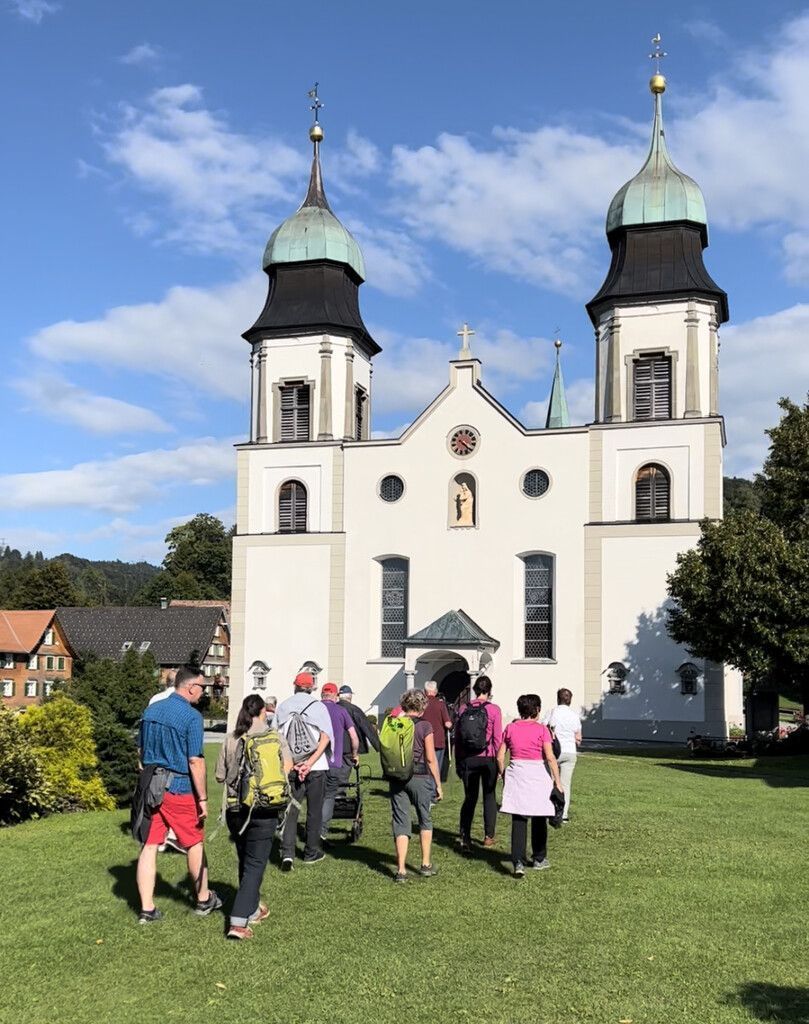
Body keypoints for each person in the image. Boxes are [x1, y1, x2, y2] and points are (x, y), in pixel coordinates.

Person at [136, 665, 222, 923]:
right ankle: (204, 898)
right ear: (189, 687)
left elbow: (139, 754)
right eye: (202, 687)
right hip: (179, 787)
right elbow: (195, 760)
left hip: (151, 785)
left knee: (149, 845)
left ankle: (147, 908)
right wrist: (203, 799)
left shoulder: (150, 710)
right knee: (194, 842)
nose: (203, 693)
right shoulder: (191, 716)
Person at [215, 694, 292, 940]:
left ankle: (253, 907)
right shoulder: (274, 738)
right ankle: (238, 922)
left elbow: (219, 776)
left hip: (235, 809)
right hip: (263, 807)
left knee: (246, 860)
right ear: (263, 713)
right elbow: (287, 768)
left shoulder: (231, 738)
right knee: (256, 864)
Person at [497, 693, 563, 877]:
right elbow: (550, 757)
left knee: (519, 818)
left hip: (517, 771)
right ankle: (539, 858)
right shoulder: (542, 730)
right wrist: (558, 781)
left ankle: (518, 861)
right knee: (539, 816)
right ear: (537, 710)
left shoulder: (510, 728)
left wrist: (503, 774)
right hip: (537, 774)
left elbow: (500, 756)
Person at [275, 671, 334, 869]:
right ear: (311, 687)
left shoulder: (283, 706)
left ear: (295, 685)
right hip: (316, 767)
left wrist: (294, 764)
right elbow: (325, 738)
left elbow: (278, 740)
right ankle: (311, 852)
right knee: (314, 811)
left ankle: (287, 853)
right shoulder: (319, 707)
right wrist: (309, 764)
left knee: (291, 810)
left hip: (291, 766)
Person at [388, 689, 442, 882]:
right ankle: (425, 863)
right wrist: (438, 784)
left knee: (401, 821)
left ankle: (401, 869)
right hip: (420, 776)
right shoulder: (425, 726)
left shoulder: (394, 724)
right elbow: (430, 758)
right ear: (422, 707)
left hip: (397, 777)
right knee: (424, 818)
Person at [455, 676, 502, 851]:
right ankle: (488, 836)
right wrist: (499, 763)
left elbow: (458, 738)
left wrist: (459, 760)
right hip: (488, 757)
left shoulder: (463, 709)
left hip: (468, 758)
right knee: (489, 796)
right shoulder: (494, 710)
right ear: (489, 691)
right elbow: (497, 738)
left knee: (470, 798)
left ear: (474, 690)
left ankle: (465, 836)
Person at [319, 682, 359, 843]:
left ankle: (311, 829)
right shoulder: (341, 710)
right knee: (329, 797)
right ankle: (321, 832)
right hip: (334, 762)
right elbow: (354, 737)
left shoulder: (315, 709)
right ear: (336, 696)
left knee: (315, 797)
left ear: (322, 695)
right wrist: (355, 754)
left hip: (315, 763)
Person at [545, 688, 582, 821]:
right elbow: (578, 737)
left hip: (554, 751)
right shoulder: (574, 715)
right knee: (566, 784)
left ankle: (550, 810)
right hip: (570, 752)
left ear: (558, 699)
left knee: (551, 781)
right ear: (570, 700)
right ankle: (564, 814)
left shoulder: (552, 712)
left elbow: (544, 730)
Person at [421, 681, 452, 776]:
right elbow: (447, 724)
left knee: (425, 767)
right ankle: (434, 788)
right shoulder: (440, 704)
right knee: (436, 767)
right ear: (435, 691)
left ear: (425, 692)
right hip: (438, 740)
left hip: (424, 739)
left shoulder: (421, 704)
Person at [338, 685, 380, 753]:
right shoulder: (355, 709)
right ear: (350, 696)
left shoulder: (334, 708)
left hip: (337, 745)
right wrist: (378, 746)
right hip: (352, 746)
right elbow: (366, 727)